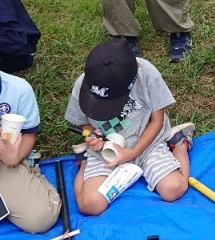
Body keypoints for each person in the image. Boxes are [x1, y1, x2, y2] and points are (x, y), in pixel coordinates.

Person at [65, 39, 194, 215]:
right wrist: (93, 136)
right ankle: (85, 161)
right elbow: (83, 122)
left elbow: (157, 120)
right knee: (90, 205)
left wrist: (133, 152)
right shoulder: (86, 84)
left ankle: (179, 143)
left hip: (147, 143)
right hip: (106, 149)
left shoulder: (147, 74)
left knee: (174, 189)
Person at [0, 70, 61, 233]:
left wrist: (14, 157)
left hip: (5, 157)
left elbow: (28, 135)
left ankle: (28, 171)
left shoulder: (18, 89)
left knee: (40, 219)